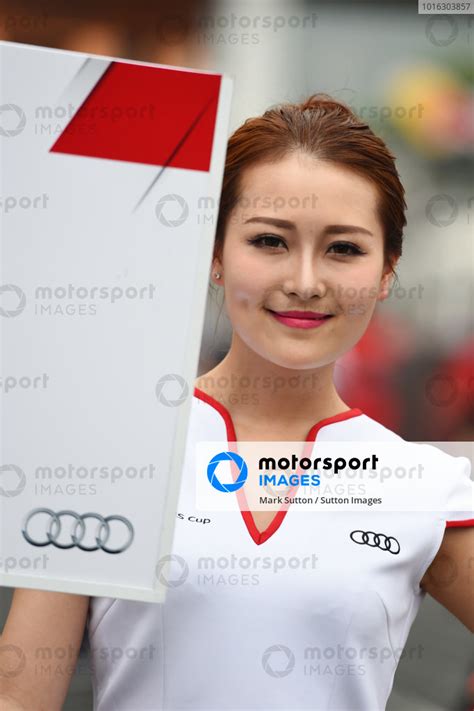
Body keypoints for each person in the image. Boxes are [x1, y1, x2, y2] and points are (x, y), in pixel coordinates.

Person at [1, 93, 472, 711]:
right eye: (270, 241)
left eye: (344, 248)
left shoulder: (425, 487)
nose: (305, 281)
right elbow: (21, 695)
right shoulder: (109, 445)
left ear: (387, 271)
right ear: (216, 254)